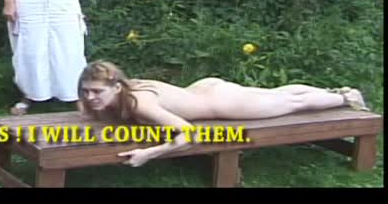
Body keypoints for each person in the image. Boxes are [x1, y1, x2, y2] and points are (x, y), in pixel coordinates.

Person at [78, 60, 369, 168]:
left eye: (97, 92)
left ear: (117, 87)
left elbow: (190, 134)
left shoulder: (140, 103)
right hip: (205, 90)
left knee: (291, 103)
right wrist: (91, 105)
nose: (91, 98)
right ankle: (330, 91)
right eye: (86, 91)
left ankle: (345, 97)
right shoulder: (122, 91)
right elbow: (89, 106)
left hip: (225, 104)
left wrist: (148, 154)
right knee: (278, 93)